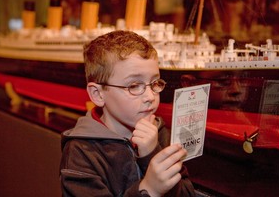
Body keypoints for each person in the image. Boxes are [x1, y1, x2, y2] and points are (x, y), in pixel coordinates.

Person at [60, 30, 195, 196]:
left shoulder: (159, 132)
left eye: (155, 83)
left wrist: (152, 154)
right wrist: (149, 190)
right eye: (134, 86)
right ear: (98, 94)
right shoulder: (81, 152)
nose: (150, 96)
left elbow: (187, 193)